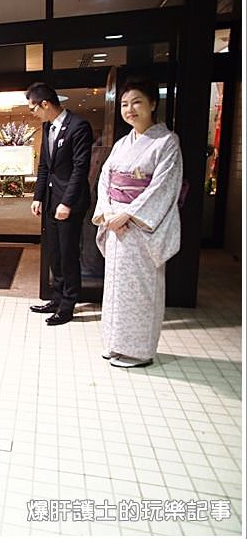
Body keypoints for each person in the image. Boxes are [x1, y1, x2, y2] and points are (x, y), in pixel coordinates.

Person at [92, 78, 183, 367]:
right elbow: (105, 180)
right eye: (124, 104)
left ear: (153, 104)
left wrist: (128, 214)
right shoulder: (121, 143)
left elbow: (163, 186)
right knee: (116, 288)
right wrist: (107, 212)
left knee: (142, 288)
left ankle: (139, 351)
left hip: (140, 227)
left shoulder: (167, 142)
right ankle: (115, 343)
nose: (129, 109)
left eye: (136, 102)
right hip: (116, 225)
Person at [26, 82, 93, 326]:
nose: (32, 113)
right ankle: (57, 298)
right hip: (51, 200)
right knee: (54, 252)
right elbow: (45, 166)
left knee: (68, 253)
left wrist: (67, 202)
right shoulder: (47, 128)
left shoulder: (78, 126)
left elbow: (80, 169)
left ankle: (68, 305)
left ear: (45, 104)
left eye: (33, 108)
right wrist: (38, 197)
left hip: (69, 202)